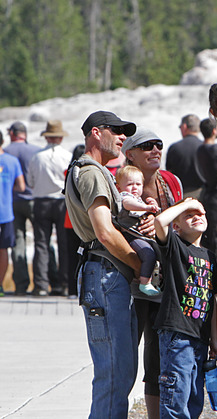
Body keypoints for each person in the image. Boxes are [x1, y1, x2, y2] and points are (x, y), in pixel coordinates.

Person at [64, 110, 140, 417]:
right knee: (114, 374)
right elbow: (105, 232)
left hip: (105, 273)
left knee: (120, 373)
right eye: (116, 130)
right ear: (96, 132)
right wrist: (139, 264)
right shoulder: (93, 172)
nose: (123, 136)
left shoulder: (94, 170)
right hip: (106, 274)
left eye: (125, 131)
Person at [121, 126, 183, 419]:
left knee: (158, 354)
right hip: (129, 280)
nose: (155, 150)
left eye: (159, 144)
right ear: (130, 154)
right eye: (147, 146)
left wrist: (161, 224)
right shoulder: (118, 183)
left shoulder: (170, 182)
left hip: (165, 279)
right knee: (125, 354)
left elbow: (183, 224)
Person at [153, 198, 217, 418]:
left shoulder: (210, 257)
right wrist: (185, 204)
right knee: (176, 395)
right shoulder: (175, 246)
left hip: (200, 338)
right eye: (189, 215)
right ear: (177, 226)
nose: (196, 217)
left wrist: (215, 338)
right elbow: (159, 221)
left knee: (194, 397)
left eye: (200, 214)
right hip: (177, 333)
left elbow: (211, 299)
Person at [27, 120, 72, 296]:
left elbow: (30, 181)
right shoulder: (67, 156)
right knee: (63, 243)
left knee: (41, 244)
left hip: (41, 202)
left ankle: (41, 285)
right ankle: (64, 284)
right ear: (60, 137)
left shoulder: (36, 157)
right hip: (61, 202)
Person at [4, 121, 41, 295]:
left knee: (18, 242)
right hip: (33, 199)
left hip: (12, 202)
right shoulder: (35, 150)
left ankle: (20, 285)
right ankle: (43, 283)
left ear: (12, 133)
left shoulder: (7, 152)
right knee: (42, 241)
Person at [115, 165, 160, 296]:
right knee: (148, 254)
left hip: (141, 235)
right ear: (119, 188)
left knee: (158, 252)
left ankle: (154, 281)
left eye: (138, 184)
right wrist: (146, 207)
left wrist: (153, 206)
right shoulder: (124, 196)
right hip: (130, 235)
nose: (134, 187)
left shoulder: (139, 199)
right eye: (130, 184)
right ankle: (144, 283)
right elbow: (128, 204)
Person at [196, 118, 217, 272]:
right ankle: (215, 277)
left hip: (207, 195)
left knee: (208, 238)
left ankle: (207, 273)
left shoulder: (200, 149)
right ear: (215, 131)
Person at [0, 131, 25, 297]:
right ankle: (0, 284)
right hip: (5, 212)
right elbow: (21, 186)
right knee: (3, 250)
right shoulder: (11, 161)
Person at [64, 144, 86, 298]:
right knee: (85, 256)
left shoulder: (68, 172)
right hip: (83, 220)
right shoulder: (85, 173)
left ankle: (71, 290)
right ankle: (83, 288)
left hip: (69, 220)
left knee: (71, 256)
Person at [165, 114, 204, 198]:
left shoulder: (174, 148)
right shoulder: (205, 147)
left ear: (184, 126)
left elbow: (169, 175)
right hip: (204, 195)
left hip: (182, 196)